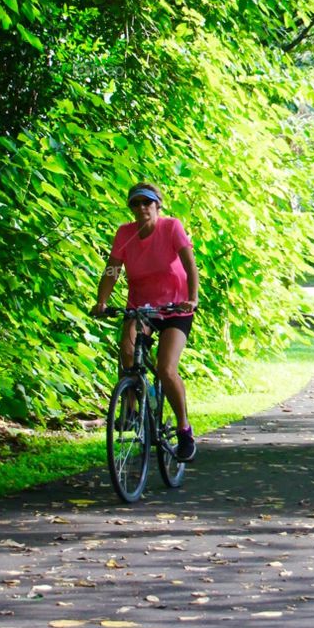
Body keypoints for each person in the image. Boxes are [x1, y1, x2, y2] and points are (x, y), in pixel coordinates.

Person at [92, 182, 200, 461]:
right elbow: (113, 268)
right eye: (135, 204)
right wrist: (102, 301)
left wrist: (193, 297)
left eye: (146, 203)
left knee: (165, 368)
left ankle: (184, 429)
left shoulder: (171, 227)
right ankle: (132, 407)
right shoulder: (125, 234)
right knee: (127, 351)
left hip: (176, 308)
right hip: (142, 308)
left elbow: (189, 263)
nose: (141, 208)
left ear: (157, 206)